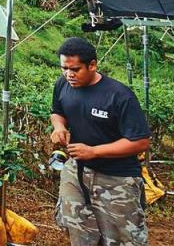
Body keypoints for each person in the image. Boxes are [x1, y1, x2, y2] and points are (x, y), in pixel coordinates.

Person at [50, 37, 150, 245]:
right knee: (78, 230)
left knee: (123, 238)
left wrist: (94, 151)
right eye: (64, 68)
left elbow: (140, 142)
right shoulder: (63, 85)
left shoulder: (119, 96)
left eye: (75, 69)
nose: (69, 74)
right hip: (76, 171)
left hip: (117, 179)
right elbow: (57, 111)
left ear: (93, 65)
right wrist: (59, 127)